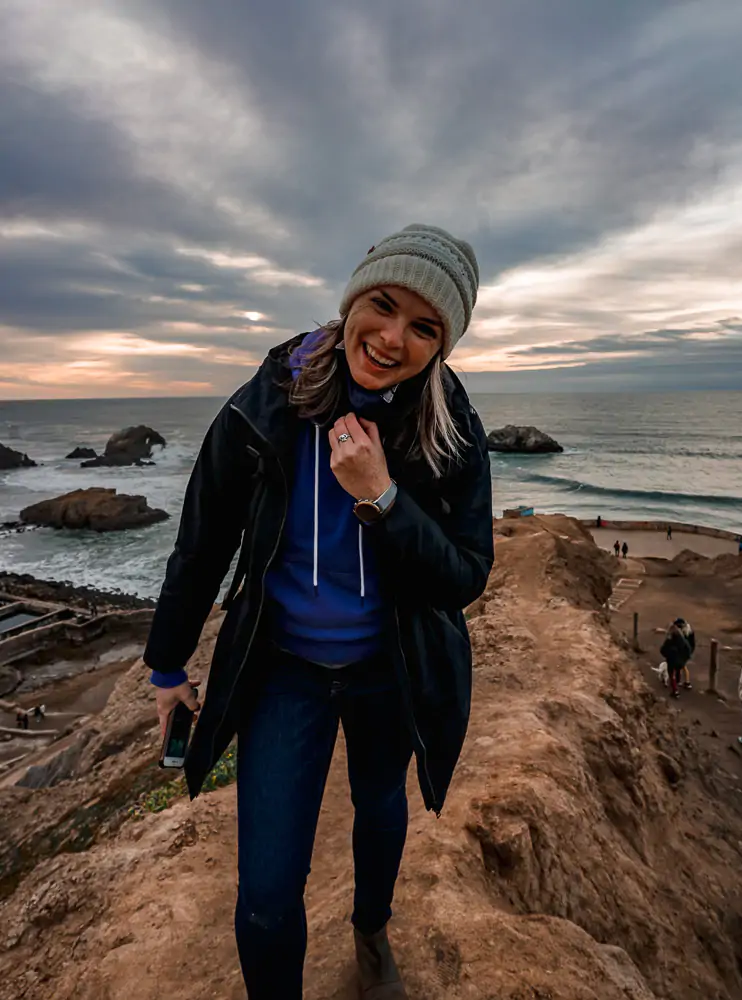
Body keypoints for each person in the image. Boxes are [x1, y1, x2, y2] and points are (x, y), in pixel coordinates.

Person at [143, 224, 493, 999]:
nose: (393, 337)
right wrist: (166, 665)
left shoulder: (450, 428)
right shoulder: (264, 403)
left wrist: (384, 498)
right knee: (266, 895)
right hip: (283, 670)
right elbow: (202, 542)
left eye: (425, 326)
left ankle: (371, 931)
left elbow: (465, 574)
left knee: (378, 810)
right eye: (383, 304)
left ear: (442, 345)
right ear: (352, 300)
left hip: (386, 667)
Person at [660, 620, 694, 698]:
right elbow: (688, 649)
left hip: (672, 660)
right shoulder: (682, 640)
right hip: (681, 660)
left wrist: (666, 655)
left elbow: (663, 649)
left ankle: (675, 691)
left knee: (672, 675)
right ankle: (682, 682)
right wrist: (686, 657)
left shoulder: (669, 640)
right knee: (680, 669)